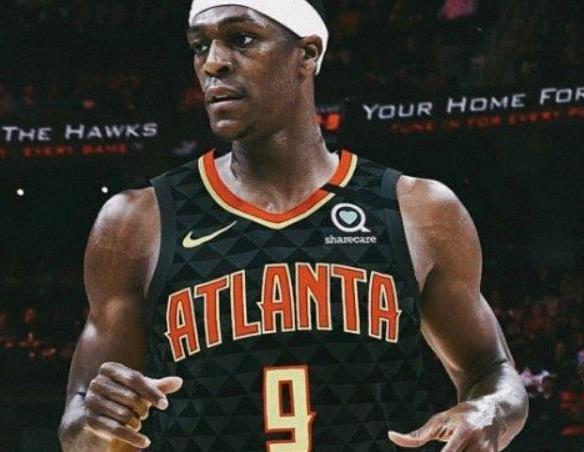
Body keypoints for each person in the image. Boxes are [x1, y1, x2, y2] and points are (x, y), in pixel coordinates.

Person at [59, 1, 528, 450]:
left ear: (307, 53)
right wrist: (97, 425)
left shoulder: (418, 209)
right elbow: (78, 430)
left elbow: (493, 372)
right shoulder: (137, 221)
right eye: (200, 46)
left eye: (241, 39)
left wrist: (488, 411)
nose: (213, 63)